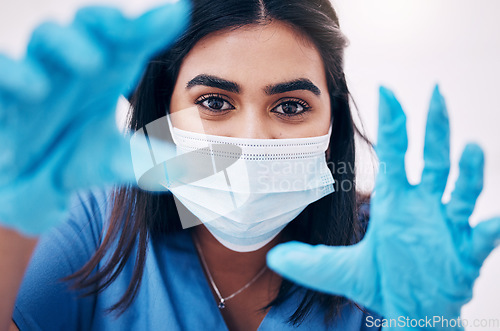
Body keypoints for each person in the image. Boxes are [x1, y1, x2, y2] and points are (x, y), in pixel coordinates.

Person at [0, 0, 498, 330]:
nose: (252, 141)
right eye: (215, 102)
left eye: (290, 106)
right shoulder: (93, 221)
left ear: (332, 126)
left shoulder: (389, 248)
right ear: (163, 113)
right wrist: (9, 222)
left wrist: (430, 321)